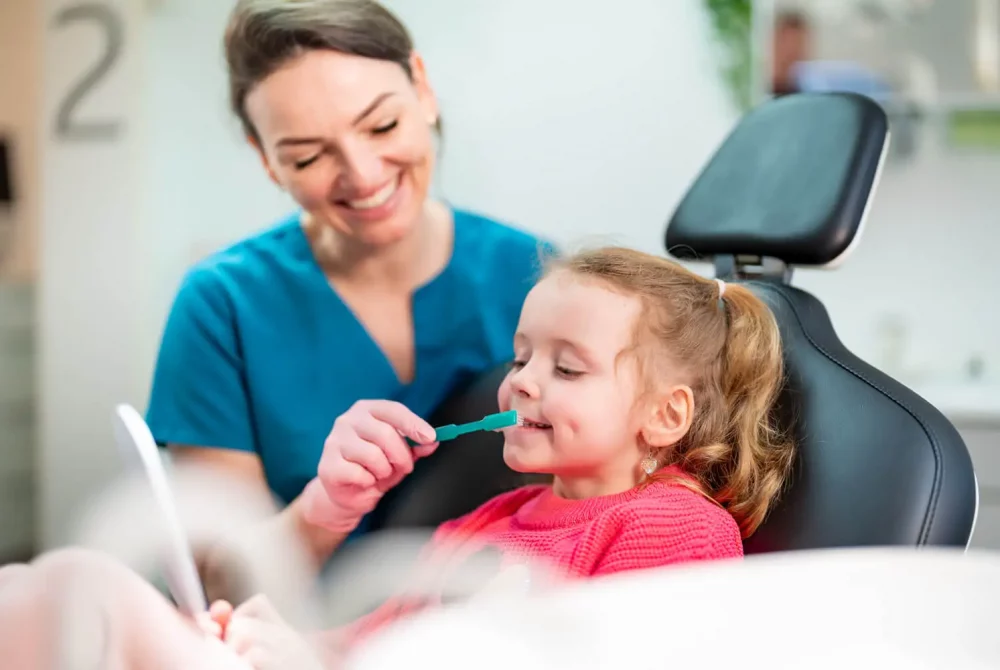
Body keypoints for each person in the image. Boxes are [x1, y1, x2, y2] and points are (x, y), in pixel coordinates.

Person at [0, 246, 795, 669]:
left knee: (86, 590)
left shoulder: (675, 531)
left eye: (567, 367)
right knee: (35, 590)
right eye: (520, 358)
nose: (520, 384)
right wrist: (274, 637)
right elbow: (365, 642)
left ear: (667, 415)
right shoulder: (495, 518)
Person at [145, 0, 554, 585]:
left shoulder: (534, 275)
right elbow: (219, 579)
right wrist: (325, 509)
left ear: (423, 90)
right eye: (308, 156)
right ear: (267, 160)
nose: (362, 175)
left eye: (382, 125)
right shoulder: (222, 307)